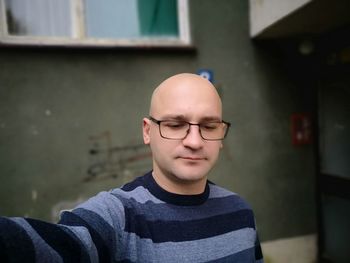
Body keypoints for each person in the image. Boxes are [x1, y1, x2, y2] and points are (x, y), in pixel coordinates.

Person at [0, 73, 263, 262]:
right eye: (175, 125)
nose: (194, 141)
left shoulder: (241, 212)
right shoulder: (118, 217)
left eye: (208, 126)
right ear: (148, 131)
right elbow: (56, 246)